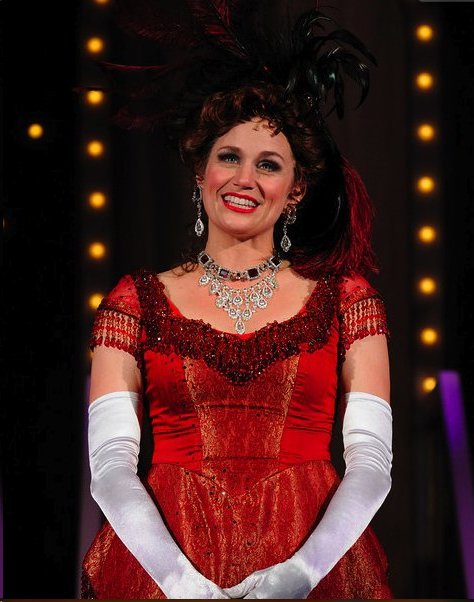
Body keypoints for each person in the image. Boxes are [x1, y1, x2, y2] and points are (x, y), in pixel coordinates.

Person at [81, 3, 393, 599]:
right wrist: (179, 583)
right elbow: (111, 465)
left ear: (295, 190)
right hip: (163, 568)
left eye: (268, 164)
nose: (244, 178)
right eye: (229, 156)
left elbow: (372, 461)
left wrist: (301, 575)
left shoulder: (347, 301)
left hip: (315, 566)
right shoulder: (134, 302)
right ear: (200, 171)